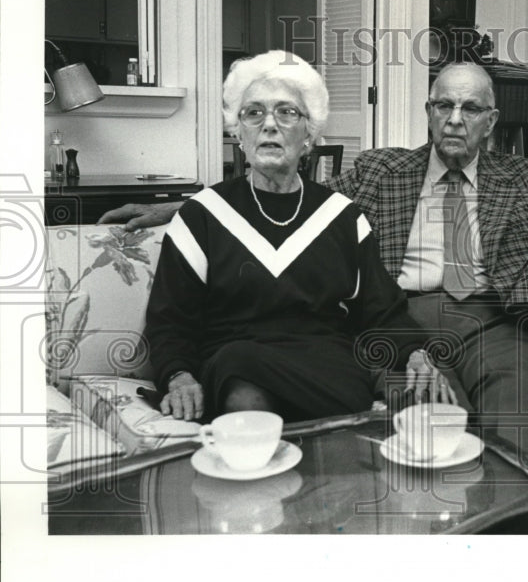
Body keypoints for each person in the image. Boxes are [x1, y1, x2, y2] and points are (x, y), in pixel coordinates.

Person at [103, 62, 528, 466]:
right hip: (394, 318)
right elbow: (282, 192)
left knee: (517, 396)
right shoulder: (381, 171)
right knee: (421, 410)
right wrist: (176, 208)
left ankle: (518, 538)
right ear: (428, 112)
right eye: (442, 106)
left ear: (491, 121)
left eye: (470, 109)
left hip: (489, 318)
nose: (454, 119)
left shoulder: (523, 179)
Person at [144, 51, 454, 423]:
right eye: (254, 113)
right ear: (238, 132)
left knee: (436, 403)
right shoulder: (201, 216)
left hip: (326, 363)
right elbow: (170, 321)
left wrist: (416, 354)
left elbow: (382, 310)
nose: (269, 125)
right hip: (235, 364)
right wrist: (178, 375)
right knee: (241, 375)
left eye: (286, 112)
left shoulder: (342, 217)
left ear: (309, 134)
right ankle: (348, 428)